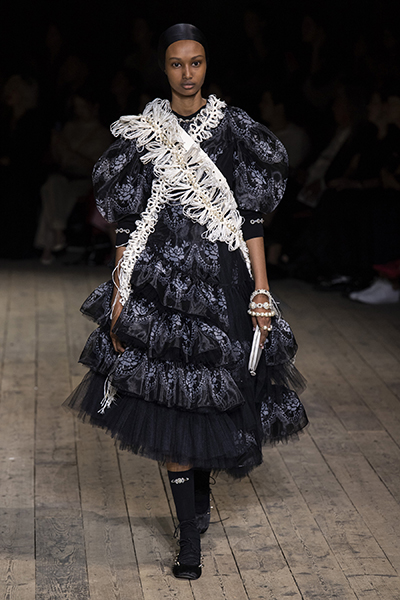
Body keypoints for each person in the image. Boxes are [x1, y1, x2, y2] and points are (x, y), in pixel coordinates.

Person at [66, 24, 308, 581]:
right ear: (164, 69)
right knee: (172, 401)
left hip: (223, 283)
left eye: (195, 62)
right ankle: (189, 536)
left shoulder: (233, 130)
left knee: (212, 396)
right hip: (161, 285)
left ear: (206, 66)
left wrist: (262, 291)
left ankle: (197, 500)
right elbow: (127, 226)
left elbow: (251, 219)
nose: (187, 73)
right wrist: (121, 293)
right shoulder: (144, 134)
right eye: (177, 64)